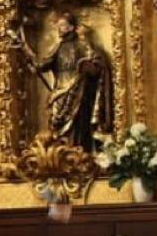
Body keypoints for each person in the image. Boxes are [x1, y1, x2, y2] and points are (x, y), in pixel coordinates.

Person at [19, 12, 113, 153]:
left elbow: (96, 65)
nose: (59, 28)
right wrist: (26, 52)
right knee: (57, 124)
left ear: (71, 27)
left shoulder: (82, 45)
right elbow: (42, 64)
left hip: (78, 91)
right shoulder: (58, 47)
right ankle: (61, 152)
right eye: (58, 25)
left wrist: (88, 68)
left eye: (62, 25)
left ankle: (79, 152)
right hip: (60, 91)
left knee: (77, 124)